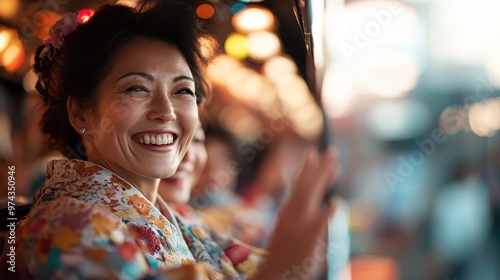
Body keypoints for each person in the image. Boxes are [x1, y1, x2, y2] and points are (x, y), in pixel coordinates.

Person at [2, 0, 338, 279]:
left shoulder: (181, 219)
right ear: (80, 114)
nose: (167, 112)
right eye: (137, 88)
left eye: (182, 91)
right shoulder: (66, 226)